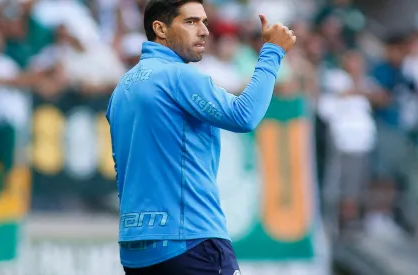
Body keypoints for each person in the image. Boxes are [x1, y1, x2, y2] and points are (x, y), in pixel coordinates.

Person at [106, 0, 296, 274]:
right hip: (190, 238)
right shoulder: (178, 76)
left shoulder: (122, 88)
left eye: (204, 22)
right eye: (191, 21)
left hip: (136, 249)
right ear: (160, 28)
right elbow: (244, 116)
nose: (204, 30)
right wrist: (272, 52)